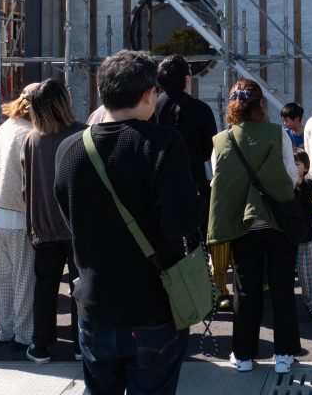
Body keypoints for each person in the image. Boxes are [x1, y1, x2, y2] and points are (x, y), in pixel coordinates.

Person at [54, 50, 202, 395]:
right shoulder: (164, 143)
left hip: (94, 304)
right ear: (149, 94)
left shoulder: (70, 148)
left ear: (101, 91)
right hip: (153, 305)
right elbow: (180, 223)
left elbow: (69, 218)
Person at [208, 79, 302, 374]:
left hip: (243, 225)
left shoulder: (221, 140)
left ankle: (244, 355)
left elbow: (219, 183)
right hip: (277, 221)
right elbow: (291, 176)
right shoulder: (277, 133)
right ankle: (284, 355)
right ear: (260, 104)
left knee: (245, 291)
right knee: (283, 288)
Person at [22, 79, 83, 364]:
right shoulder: (82, 133)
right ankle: (82, 344)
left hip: (43, 223)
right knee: (81, 287)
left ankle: (40, 345)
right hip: (77, 224)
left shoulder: (32, 139)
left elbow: (26, 186)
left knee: (45, 286)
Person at [0, 83, 37, 347]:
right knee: (24, 279)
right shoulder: (31, 132)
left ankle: (5, 330)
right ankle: (25, 333)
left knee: (5, 278)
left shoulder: (6, 127)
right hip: (19, 214)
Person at [152, 55, 218, 222]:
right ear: (187, 79)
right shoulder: (201, 109)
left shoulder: (151, 108)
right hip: (193, 179)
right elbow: (208, 150)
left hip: (157, 181)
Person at [292, 150, 312, 321]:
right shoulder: (281, 186)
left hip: (305, 238)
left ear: (305, 168)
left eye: (296, 164)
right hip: (286, 238)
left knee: (308, 275)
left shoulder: (311, 188)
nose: (292, 166)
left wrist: (299, 185)